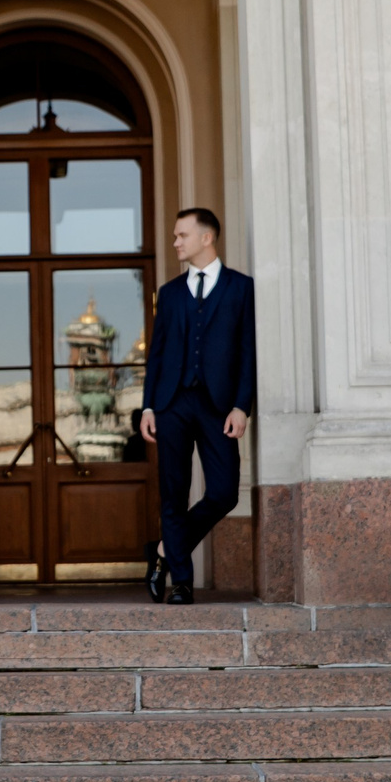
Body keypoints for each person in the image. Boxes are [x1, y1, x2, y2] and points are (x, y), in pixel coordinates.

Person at [137, 207, 256, 605]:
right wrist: (148, 407)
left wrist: (242, 406)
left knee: (224, 492)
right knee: (173, 493)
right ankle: (181, 584)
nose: (175, 242)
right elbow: (157, 354)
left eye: (181, 235)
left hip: (219, 406)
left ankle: (162, 552)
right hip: (171, 403)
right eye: (175, 236)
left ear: (206, 238)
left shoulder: (242, 288)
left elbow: (247, 352)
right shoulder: (169, 294)